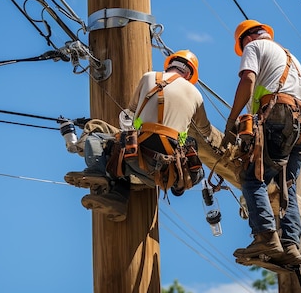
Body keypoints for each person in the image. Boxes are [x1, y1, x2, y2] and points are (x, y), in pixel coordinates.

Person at [66, 50, 222, 222]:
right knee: (187, 150)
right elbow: (205, 131)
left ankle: (97, 172)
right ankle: (117, 199)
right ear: (188, 74)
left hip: (138, 157)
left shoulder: (149, 77)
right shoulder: (196, 95)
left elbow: (131, 112)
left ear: (169, 65)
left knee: (100, 140)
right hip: (170, 173)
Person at [222, 19, 301, 265]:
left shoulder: (254, 47)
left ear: (247, 39)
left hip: (281, 119)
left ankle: (265, 237)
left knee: (253, 178)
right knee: (288, 189)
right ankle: (291, 246)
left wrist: (231, 121)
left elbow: (248, 80)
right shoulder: (291, 58)